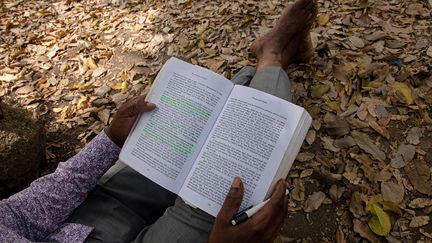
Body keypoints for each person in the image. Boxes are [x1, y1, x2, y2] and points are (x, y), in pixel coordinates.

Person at [0, 0, 317, 242]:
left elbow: (19, 214)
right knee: (225, 195)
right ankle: (272, 56)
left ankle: (256, 73)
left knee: (190, 140)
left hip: (87, 222)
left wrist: (110, 140)